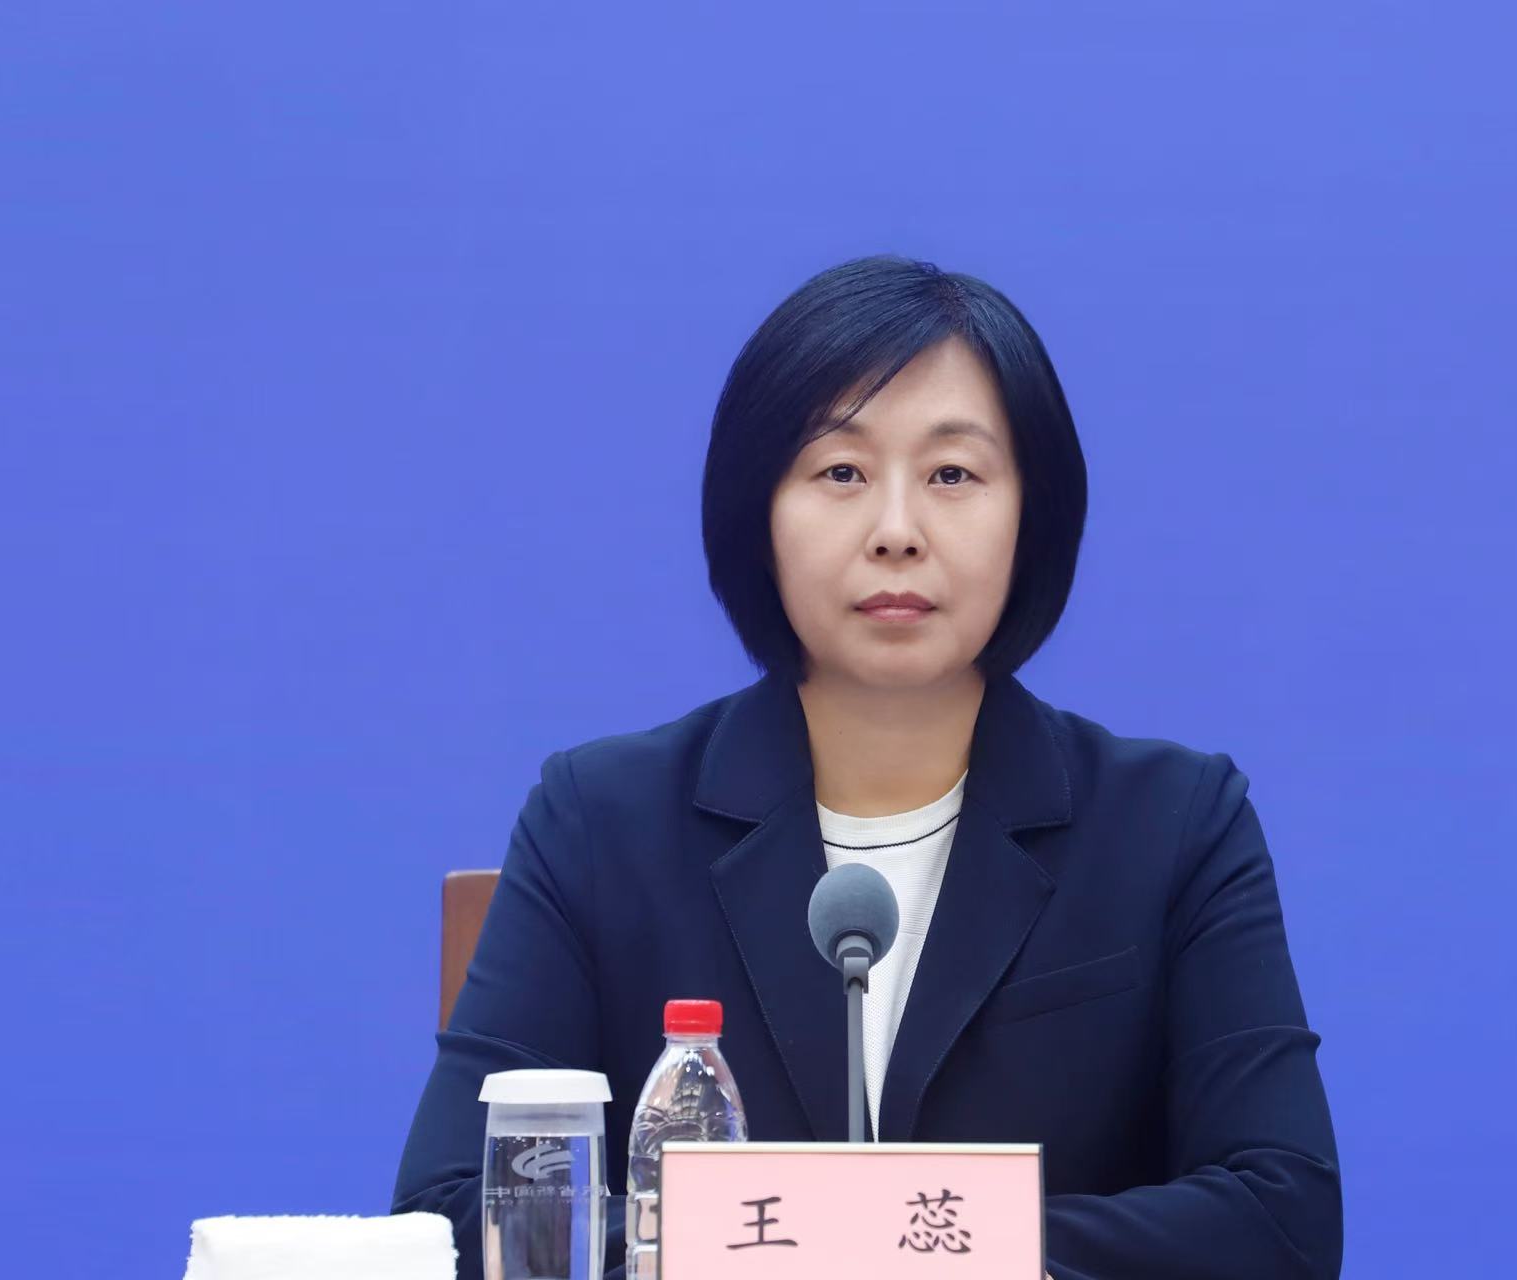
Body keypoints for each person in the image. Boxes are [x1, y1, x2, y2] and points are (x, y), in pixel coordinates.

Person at [392, 255, 1343, 1279]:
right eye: (840, 472)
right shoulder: (600, 822)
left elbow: (1281, 1214)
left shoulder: (1173, 826)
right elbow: (452, 1212)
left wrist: (904, 1248)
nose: (896, 532)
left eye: (953, 475)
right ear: (758, 511)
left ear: (1033, 513)